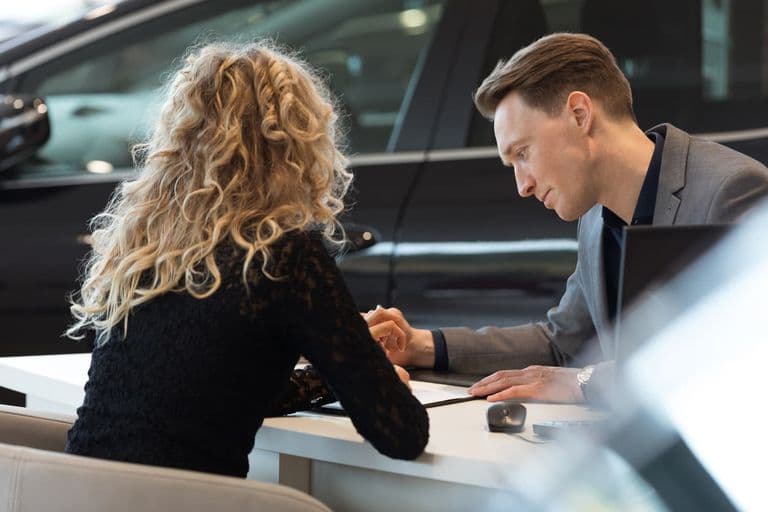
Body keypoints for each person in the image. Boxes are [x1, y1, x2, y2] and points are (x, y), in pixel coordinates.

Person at [64, 42, 428, 478]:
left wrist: (341, 364)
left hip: (71, 492)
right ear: (298, 145)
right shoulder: (284, 256)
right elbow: (402, 433)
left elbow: (218, 390)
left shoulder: (144, 245)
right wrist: (364, 365)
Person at [367, 32, 768, 404]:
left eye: (523, 153)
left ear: (579, 113)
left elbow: (740, 356)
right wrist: (423, 346)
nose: (522, 185)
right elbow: (562, 343)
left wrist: (584, 382)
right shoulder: (595, 216)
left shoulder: (732, 190)